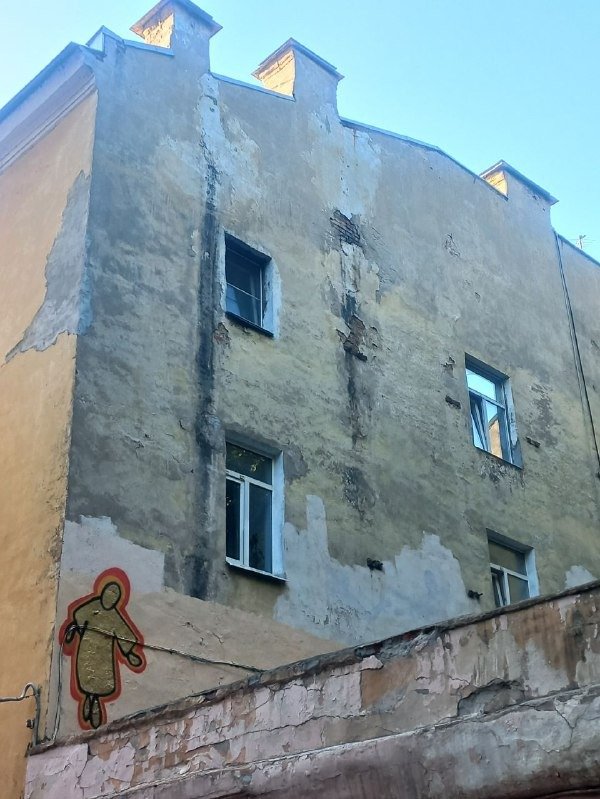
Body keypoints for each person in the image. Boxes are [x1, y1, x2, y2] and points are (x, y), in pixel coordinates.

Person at [63, 577, 144, 729]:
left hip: (105, 655)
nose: (110, 598)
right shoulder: (92, 607)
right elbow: (78, 617)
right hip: (87, 650)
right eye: (109, 593)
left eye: (114, 596)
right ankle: (88, 699)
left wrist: (129, 654)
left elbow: (124, 634)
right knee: (87, 677)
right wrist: (73, 632)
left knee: (102, 680)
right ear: (103, 593)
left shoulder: (114, 616)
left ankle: (94, 702)